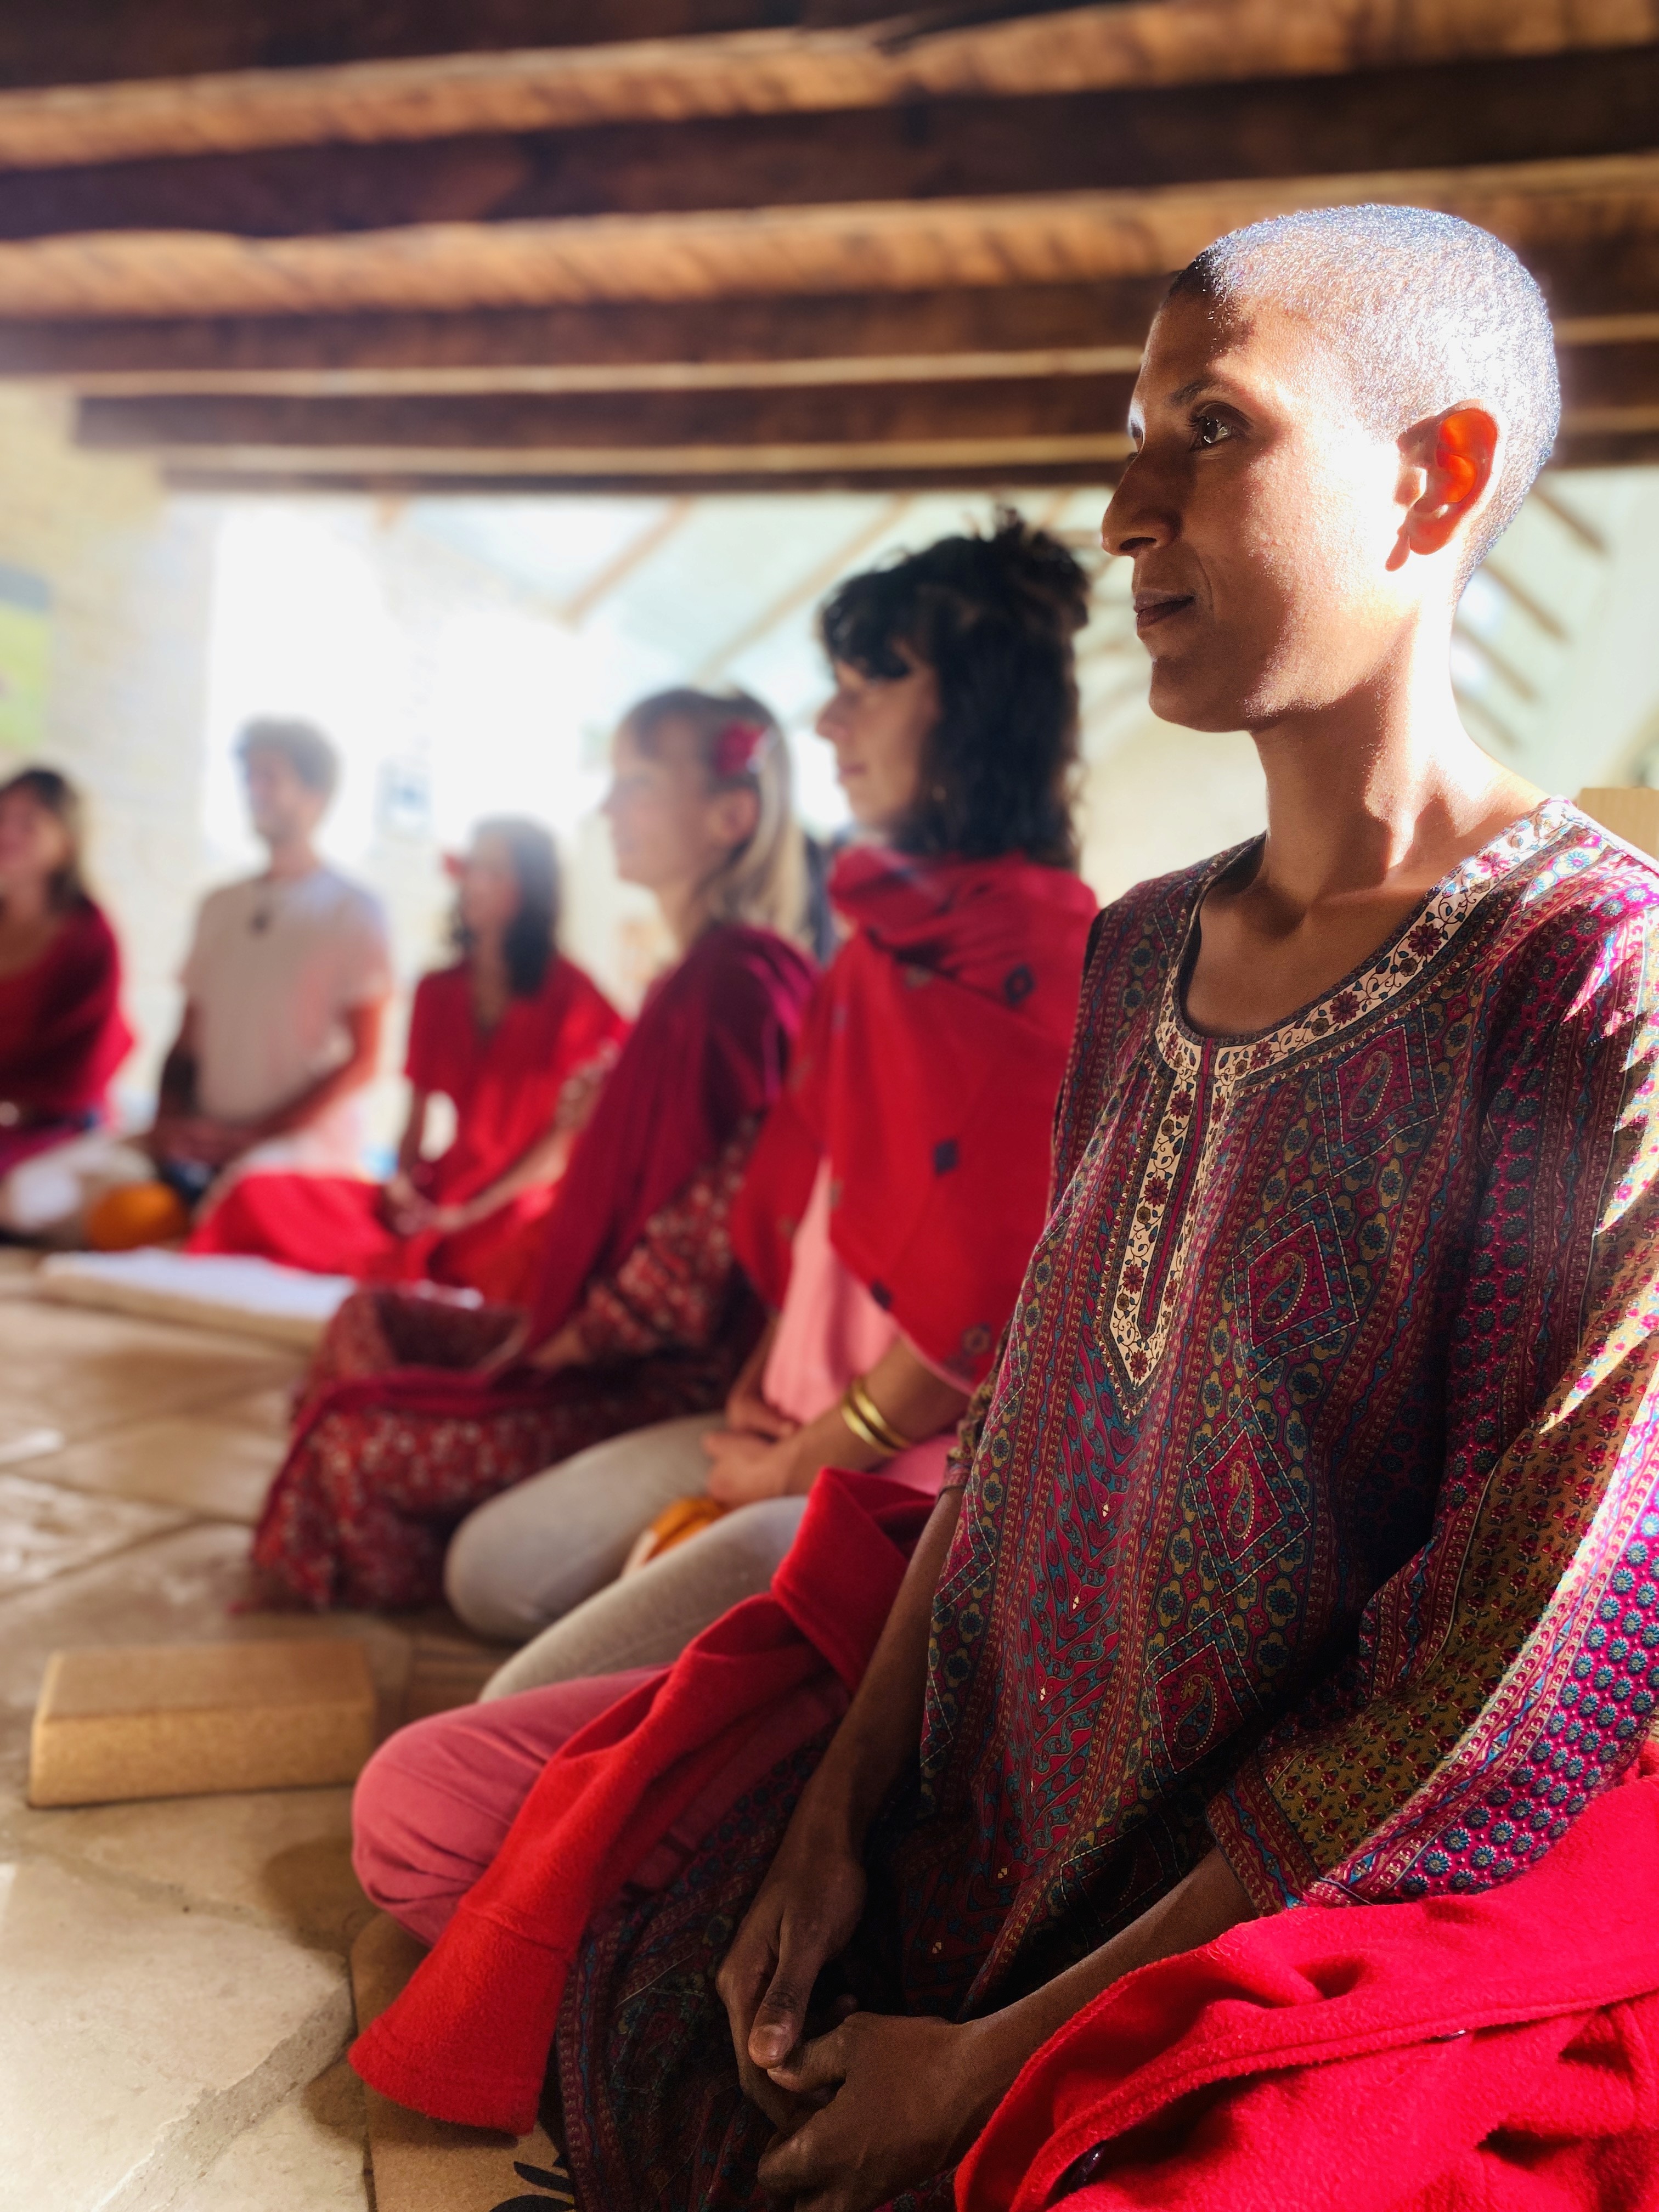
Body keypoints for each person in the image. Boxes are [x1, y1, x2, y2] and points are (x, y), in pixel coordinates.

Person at [349, 205, 1659, 2212]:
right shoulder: (1140, 954)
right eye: (1126, 431)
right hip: (979, 1780)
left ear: (1434, 472)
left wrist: (1005, 2053)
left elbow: (1505, 1665)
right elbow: (1023, 1429)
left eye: (1205, 427)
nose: (1124, 509)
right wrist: (835, 1813)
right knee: (620, 1947)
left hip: (1221, 1881)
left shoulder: (1582, 988)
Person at [443, 518, 1099, 1688]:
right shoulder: (872, 949)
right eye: (832, 690)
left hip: (907, 1467)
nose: (830, 725)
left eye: (868, 688)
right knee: (490, 1570)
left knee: (513, 1706)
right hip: (782, 1411)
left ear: (980, 711)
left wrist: (809, 1455)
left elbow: (985, 1314)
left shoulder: (1040, 965)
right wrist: (759, 1395)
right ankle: (739, 1647)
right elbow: (804, 1231)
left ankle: (798, 1665)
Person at [251, 687, 817, 1612]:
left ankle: (420, 1560)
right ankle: (443, 1491)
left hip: (652, 1377)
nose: (607, 808)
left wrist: (545, 1351)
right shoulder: (691, 977)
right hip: (579, 1332)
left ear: (731, 814)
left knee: (347, 1436)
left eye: (636, 783)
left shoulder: (734, 987)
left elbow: (697, 1265)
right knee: (365, 1321)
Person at [190, 818, 627, 1305]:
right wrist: (401, 1185)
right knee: (258, 1192)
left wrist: (471, 1214)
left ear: (534, 888)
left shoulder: (577, 999)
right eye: (469, 867)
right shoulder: (438, 989)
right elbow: (415, 1119)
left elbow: (561, 1147)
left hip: (516, 1203)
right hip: (441, 1192)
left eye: (494, 871)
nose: (473, 883)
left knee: (529, 1255)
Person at [147, 718, 392, 1212]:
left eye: (271, 777)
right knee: (36, 1196)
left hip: (300, 1146)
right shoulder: (219, 905)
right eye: (250, 776)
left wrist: (256, 1135)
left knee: (234, 1205)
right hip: (205, 1131)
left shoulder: (355, 911)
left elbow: (365, 1060)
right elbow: (187, 1040)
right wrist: (169, 1120)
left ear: (315, 795)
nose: (254, 790)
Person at [0, 766, 134, 1234]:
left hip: (62, 1129)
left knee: (19, 1198)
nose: (8, 833)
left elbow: (80, 1074)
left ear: (67, 841)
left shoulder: (90, 939)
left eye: (29, 822)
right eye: (2, 817)